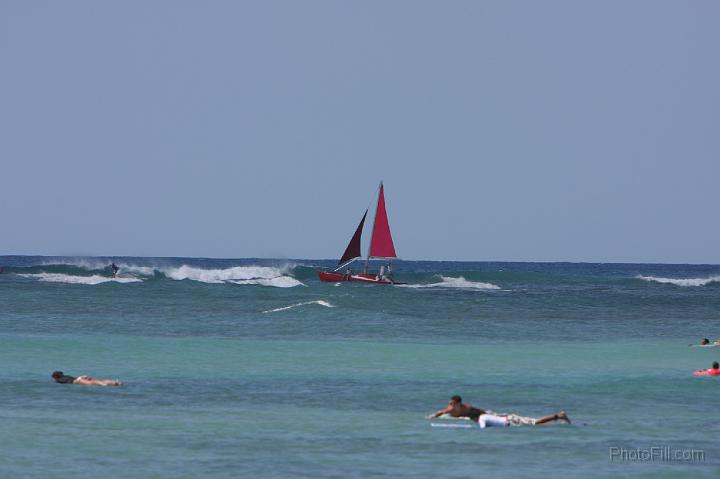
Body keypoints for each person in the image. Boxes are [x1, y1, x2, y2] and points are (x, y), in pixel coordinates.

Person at [428, 395, 570, 427]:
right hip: (499, 420)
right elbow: (440, 412)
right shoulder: (450, 409)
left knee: (535, 423)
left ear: (459, 403)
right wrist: (432, 416)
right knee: (533, 424)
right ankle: (555, 419)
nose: (450, 405)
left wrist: (490, 415)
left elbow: (481, 412)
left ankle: (559, 415)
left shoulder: (468, 408)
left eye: (452, 403)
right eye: (449, 403)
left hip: (494, 417)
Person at [52, 371, 122, 386]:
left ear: (55, 377)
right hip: (80, 377)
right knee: (99, 380)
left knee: (92, 383)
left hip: (77, 380)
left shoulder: (58, 380)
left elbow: (63, 381)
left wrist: (56, 381)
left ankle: (104, 384)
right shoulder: (66, 376)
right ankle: (114, 382)